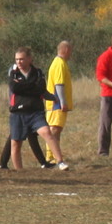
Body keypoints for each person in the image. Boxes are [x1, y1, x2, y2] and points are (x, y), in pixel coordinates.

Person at [2, 48, 57, 171]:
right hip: (18, 110)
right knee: (15, 139)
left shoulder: (37, 72)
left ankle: (43, 163)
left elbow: (41, 89)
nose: (19, 62)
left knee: (27, 136)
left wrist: (52, 97)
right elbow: (15, 88)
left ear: (29, 59)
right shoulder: (14, 71)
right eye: (17, 59)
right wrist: (31, 86)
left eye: (21, 59)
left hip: (33, 110)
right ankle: (4, 164)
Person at [44, 40, 74, 168]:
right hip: (56, 104)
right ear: (66, 50)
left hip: (57, 104)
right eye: (70, 51)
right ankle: (51, 158)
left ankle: (55, 156)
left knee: (57, 130)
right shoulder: (59, 63)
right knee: (54, 130)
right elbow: (59, 84)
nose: (71, 54)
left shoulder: (60, 63)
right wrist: (62, 102)